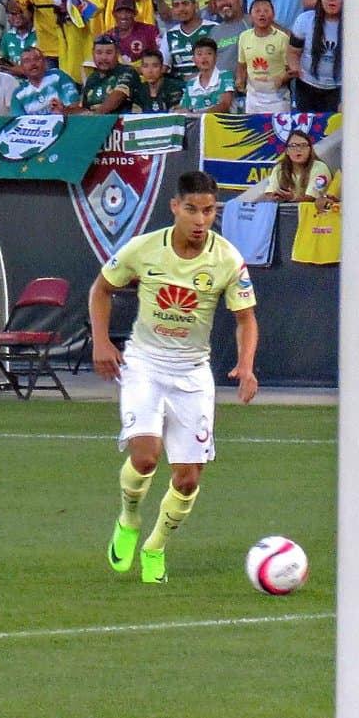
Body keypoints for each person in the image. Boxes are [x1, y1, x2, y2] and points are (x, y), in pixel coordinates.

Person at [89, 169, 258, 584]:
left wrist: (247, 364)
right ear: (175, 208)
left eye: (209, 211)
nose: (201, 220)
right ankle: (128, 520)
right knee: (145, 457)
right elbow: (100, 290)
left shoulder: (227, 260)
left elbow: (246, 319)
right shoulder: (144, 249)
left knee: (186, 480)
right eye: (192, 210)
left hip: (193, 374)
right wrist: (100, 342)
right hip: (144, 365)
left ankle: (155, 546)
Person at [235, 0, 288, 114]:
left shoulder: (282, 38)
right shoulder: (244, 36)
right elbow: (242, 64)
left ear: (273, 15)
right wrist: (240, 79)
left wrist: (281, 79)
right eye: (257, 11)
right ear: (250, 16)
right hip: (253, 97)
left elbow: (290, 69)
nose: (262, 14)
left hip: (277, 97)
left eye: (266, 11)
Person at [287, 0, 340, 112]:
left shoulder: (354, 24)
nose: (332, 0)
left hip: (338, 89)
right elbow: (293, 51)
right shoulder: (304, 20)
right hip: (307, 86)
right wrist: (294, 67)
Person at [78, 33, 139, 113]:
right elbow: (83, 107)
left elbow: (118, 96)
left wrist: (95, 115)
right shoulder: (92, 78)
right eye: (99, 53)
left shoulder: (127, 71)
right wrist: (63, 109)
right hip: (95, 122)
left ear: (117, 54)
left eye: (109, 53)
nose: (103, 57)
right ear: (93, 54)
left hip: (120, 123)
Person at [9, 44, 80, 114]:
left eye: (37, 59)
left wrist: (64, 111)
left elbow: (76, 106)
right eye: (27, 61)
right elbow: (18, 121)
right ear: (21, 67)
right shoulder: (18, 94)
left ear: (45, 62)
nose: (33, 63)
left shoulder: (58, 77)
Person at [263, 128, 329, 202]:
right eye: (293, 145)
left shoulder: (320, 167)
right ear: (287, 151)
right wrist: (275, 197)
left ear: (310, 150)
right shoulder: (279, 168)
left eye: (303, 145)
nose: (298, 149)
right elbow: (269, 193)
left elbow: (311, 198)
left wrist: (293, 198)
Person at [177, 34, 231, 112]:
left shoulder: (226, 76)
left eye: (209, 53)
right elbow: (183, 108)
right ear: (193, 59)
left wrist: (200, 114)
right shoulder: (191, 84)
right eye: (199, 54)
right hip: (196, 123)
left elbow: (225, 105)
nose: (204, 57)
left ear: (216, 57)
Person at [166, 0, 215, 79]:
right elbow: (163, 67)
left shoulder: (213, 28)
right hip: (179, 87)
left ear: (195, 6)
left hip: (209, 85)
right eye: (176, 5)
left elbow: (222, 63)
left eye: (185, 3)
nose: (181, 9)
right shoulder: (169, 34)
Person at [107, 0, 159, 66]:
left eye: (128, 12)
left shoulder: (150, 31)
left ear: (135, 13)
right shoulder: (108, 37)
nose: (123, 16)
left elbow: (161, 59)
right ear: (113, 14)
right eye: (119, 12)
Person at [130, 46, 182, 111]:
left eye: (155, 66)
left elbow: (176, 114)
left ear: (162, 68)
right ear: (141, 69)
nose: (150, 71)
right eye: (145, 66)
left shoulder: (173, 88)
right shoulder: (139, 91)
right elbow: (135, 116)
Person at [208, 0, 246, 77]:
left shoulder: (253, 22)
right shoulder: (214, 31)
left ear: (240, 1)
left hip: (246, 85)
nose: (224, 3)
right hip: (220, 86)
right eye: (219, 0)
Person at [0, 0, 35, 76]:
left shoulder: (39, 34)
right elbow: (3, 65)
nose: (17, 16)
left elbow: (47, 70)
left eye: (21, 12)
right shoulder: (7, 37)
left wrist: (23, 72)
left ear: (31, 13)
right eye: (12, 13)